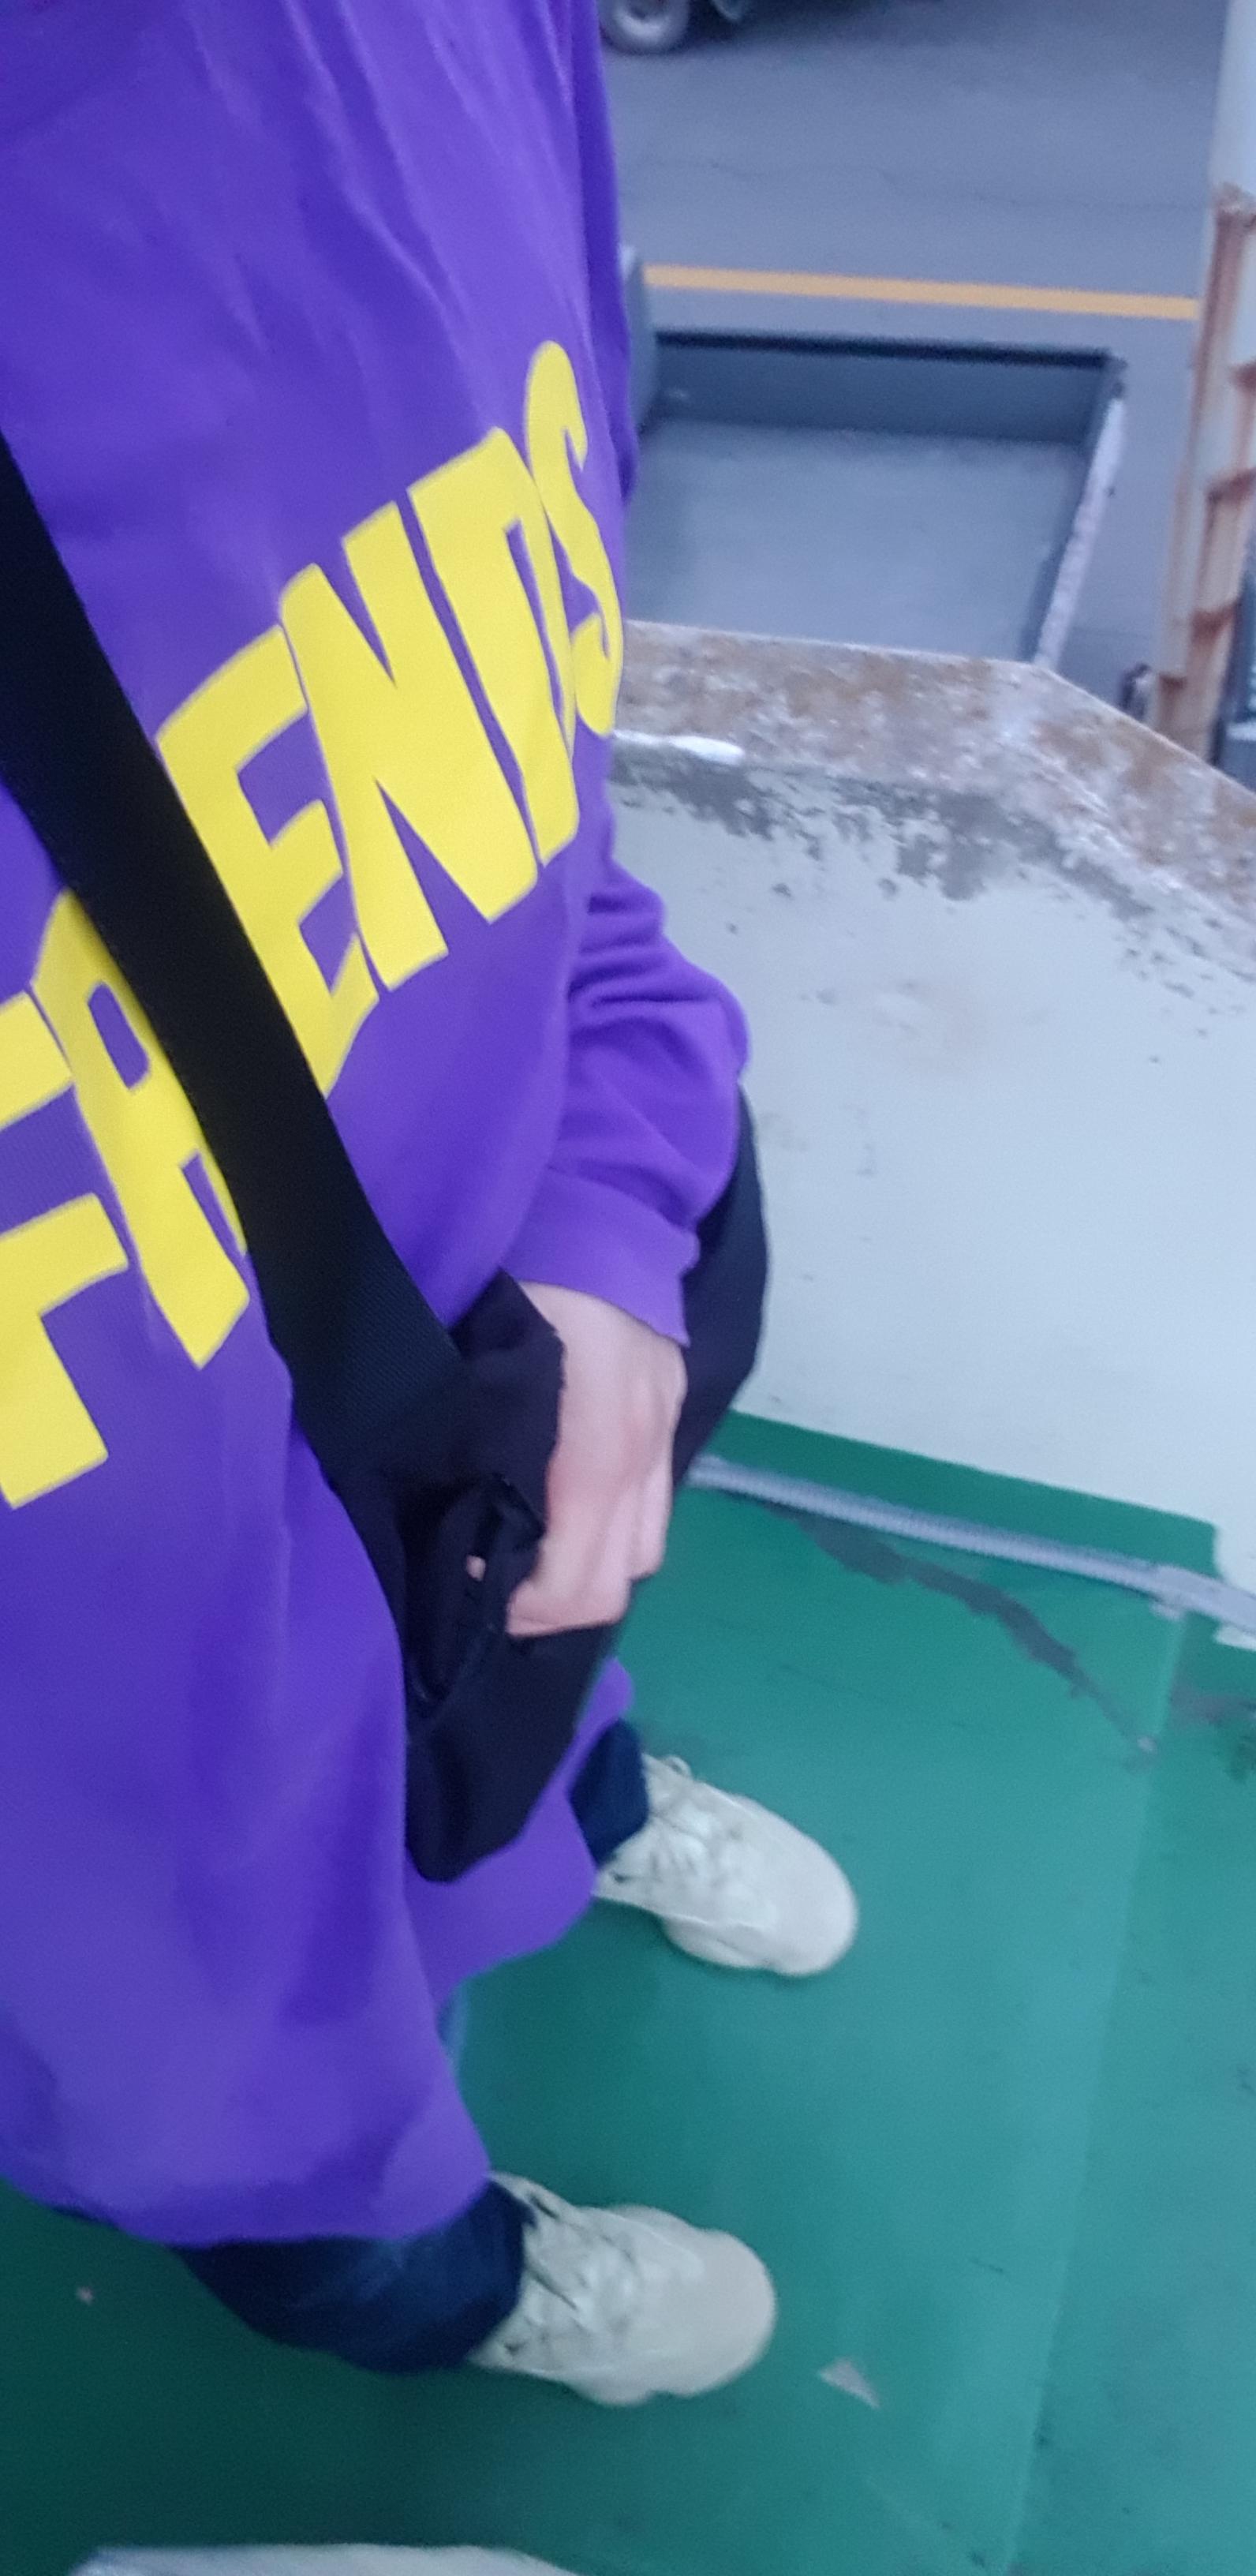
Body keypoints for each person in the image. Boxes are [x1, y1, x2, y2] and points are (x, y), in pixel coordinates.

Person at [0, 0, 857, 2404]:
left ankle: (582, 1805)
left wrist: (610, 1234)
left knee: (532, 1714)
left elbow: (542, 806)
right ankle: (460, 2282)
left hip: (477, 1509)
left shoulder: (437, 33)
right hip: (125, 1914)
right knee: (330, 2224)